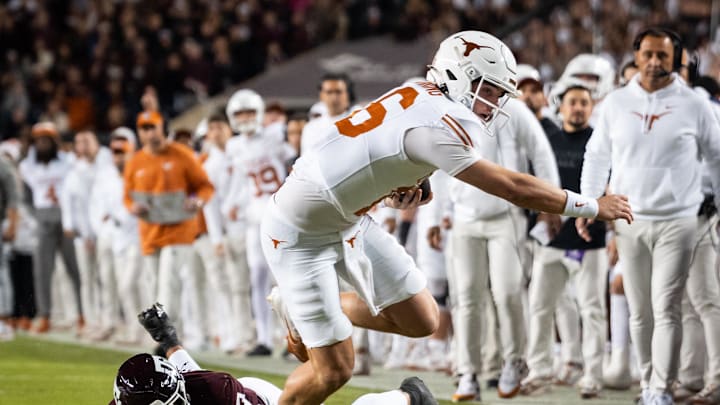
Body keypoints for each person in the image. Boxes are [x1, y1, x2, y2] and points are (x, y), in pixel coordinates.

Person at [261, 30, 632, 405]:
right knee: (335, 370)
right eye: (488, 89)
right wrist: (591, 206)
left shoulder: (420, 93)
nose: (494, 102)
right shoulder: (443, 124)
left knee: (423, 319)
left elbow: (375, 158)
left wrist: (401, 188)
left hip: (343, 218)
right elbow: (511, 186)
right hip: (299, 234)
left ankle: (308, 305)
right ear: (459, 75)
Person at [578, 28, 720, 405]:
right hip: (629, 219)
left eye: (663, 55)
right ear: (636, 56)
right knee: (640, 311)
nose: (656, 62)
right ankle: (647, 384)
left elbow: (717, 158)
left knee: (666, 305)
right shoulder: (615, 103)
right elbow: (596, 156)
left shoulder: (695, 104)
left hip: (680, 219)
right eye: (649, 54)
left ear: (675, 59)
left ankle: (661, 388)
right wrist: (589, 204)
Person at [112, 303, 438, 405]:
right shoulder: (129, 396)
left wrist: (169, 340)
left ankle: (409, 397)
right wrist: (168, 340)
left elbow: (194, 376)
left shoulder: (216, 392)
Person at [520, 80, 608, 399]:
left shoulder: (600, 140)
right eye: (573, 101)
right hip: (552, 241)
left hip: (589, 241)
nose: (579, 107)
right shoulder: (549, 141)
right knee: (540, 306)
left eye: (584, 102)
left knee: (592, 309)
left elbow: (608, 187)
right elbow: (535, 186)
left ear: (592, 106)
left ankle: (592, 375)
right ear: (560, 105)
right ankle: (540, 371)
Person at [123, 110, 214, 342]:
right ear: (139, 132)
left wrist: (198, 201)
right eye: (144, 128)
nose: (150, 132)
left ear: (162, 127)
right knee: (155, 286)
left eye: (153, 127)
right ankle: (174, 336)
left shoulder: (181, 155)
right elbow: (127, 197)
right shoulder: (135, 162)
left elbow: (205, 186)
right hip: (150, 233)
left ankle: (166, 340)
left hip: (179, 229)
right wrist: (132, 207)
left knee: (168, 284)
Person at [223, 89, 296, 356]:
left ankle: (294, 336)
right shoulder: (234, 146)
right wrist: (231, 204)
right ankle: (264, 339)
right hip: (254, 216)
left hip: (281, 214)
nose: (245, 118)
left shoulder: (275, 136)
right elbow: (241, 183)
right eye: (240, 113)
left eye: (250, 112)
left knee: (285, 275)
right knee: (257, 275)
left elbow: (293, 166)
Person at [19, 122, 83, 334]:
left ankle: (82, 314)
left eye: (46, 139)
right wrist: (35, 216)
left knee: (74, 268)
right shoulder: (27, 166)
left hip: (67, 218)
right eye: (39, 139)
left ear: (55, 141)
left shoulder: (68, 161)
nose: (42, 143)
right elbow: (25, 196)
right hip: (44, 216)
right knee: (43, 270)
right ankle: (45, 315)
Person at [300, 73, 355, 154]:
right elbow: (306, 159)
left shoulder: (357, 122)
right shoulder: (310, 128)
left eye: (338, 92)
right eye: (329, 92)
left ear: (347, 94)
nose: (334, 97)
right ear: (321, 95)